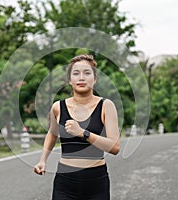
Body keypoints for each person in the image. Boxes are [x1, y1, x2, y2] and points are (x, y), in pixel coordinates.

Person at [33, 54, 120, 200]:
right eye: (76, 73)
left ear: (95, 79)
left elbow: (115, 147)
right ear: (69, 80)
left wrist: (83, 133)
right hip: (65, 183)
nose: (81, 78)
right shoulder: (58, 107)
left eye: (87, 73)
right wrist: (43, 160)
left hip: (96, 182)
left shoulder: (106, 106)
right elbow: (52, 134)